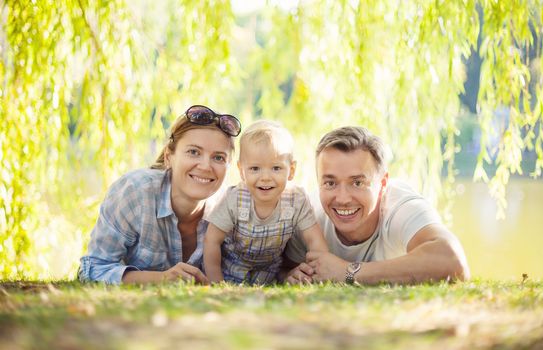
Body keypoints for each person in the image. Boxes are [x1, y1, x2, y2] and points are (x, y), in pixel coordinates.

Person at [283, 126, 470, 285]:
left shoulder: (402, 207)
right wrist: (289, 276)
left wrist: (348, 272)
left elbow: (452, 261)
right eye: (330, 183)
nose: (342, 198)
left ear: (382, 184)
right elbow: (281, 267)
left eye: (357, 183)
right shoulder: (308, 214)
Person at [78, 105, 241, 284]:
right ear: (169, 156)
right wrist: (161, 278)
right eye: (193, 152)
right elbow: (92, 268)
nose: (205, 166)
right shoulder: (135, 192)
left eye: (218, 157)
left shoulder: (231, 208)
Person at [203, 120, 329, 284]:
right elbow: (212, 240)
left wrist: (318, 272)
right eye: (255, 169)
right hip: (231, 269)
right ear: (242, 171)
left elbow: (315, 241)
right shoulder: (235, 198)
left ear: (291, 171)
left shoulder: (296, 199)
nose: (265, 178)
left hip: (270, 274)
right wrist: (216, 282)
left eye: (276, 168)